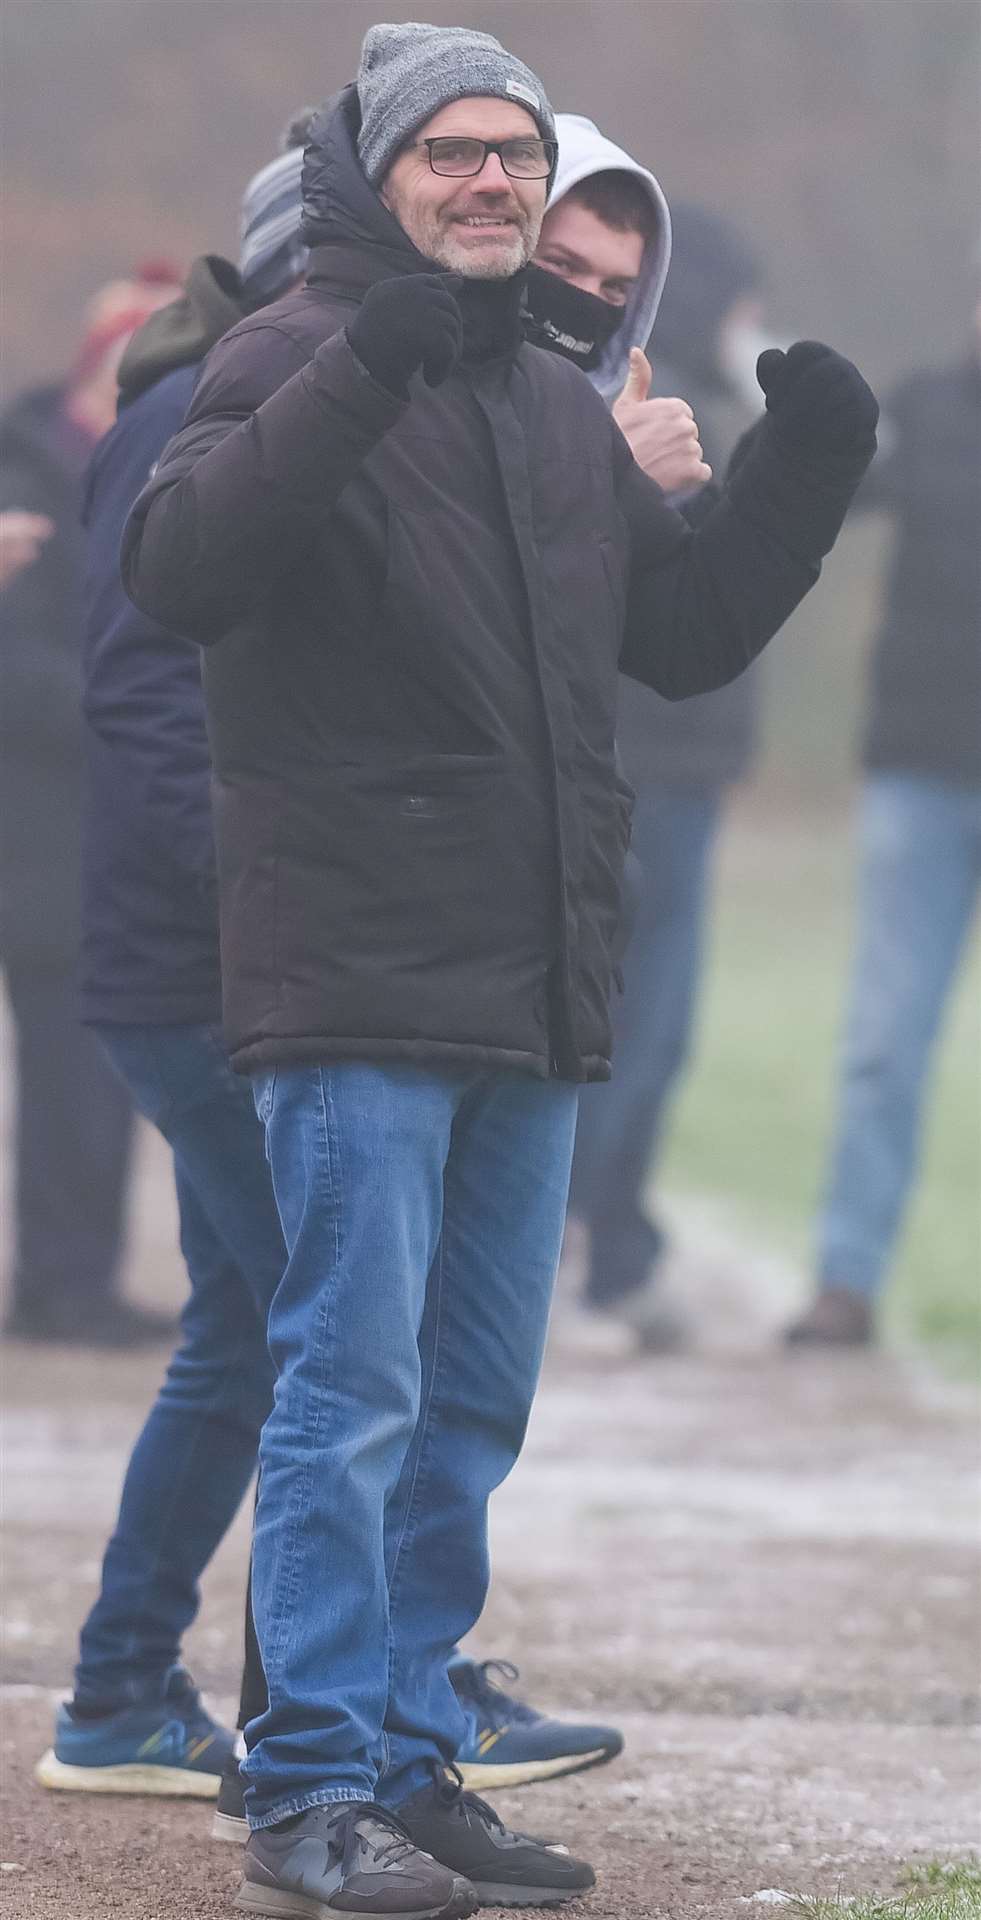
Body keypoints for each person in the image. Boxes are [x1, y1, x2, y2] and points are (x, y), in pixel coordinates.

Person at [123, 24, 877, 1916]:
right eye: (454, 155)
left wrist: (800, 471)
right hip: (356, 976)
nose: (492, 185)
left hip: (529, 985)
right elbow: (181, 566)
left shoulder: (553, 398)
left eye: (515, 159)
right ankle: (304, 1793)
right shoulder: (289, 351)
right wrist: (371, 360)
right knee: (349, 1393)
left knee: (467, 1409)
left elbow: (684, 632)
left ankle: (401, 1759)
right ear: (381, 177)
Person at [37, 115, 623, 1828]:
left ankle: (165, 1692)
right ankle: (314, 1727)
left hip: (282, 954)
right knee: (339, 1349)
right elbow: (157, 707)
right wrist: (315, 903)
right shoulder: (230, 409)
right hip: (239, 965)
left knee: (269, 1330)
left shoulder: (373, 405)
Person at [559, 190, 775, 1346]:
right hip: (657, 754)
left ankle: (615, 1240)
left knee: (651, 1021)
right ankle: (582, 1249)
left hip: (681, 754)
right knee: (633, 1018)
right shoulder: (669, 409)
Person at [786, 307, 981, 1346]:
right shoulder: (923, 410)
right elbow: (836, 493)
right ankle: (846, 1281)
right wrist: (801, 418)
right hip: (921, 770)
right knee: (883, 1042)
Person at [0, 264, 180, 1349]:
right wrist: (126, 702)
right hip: (38, 786)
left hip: (92, 820)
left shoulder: (170, 465)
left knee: (86, 1062)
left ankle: (71, 1280)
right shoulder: (23, 466)